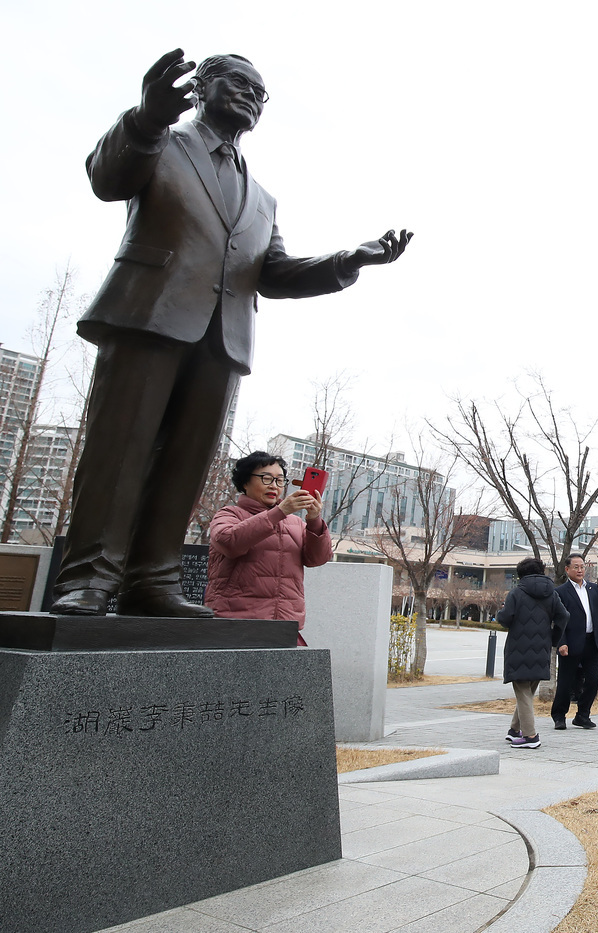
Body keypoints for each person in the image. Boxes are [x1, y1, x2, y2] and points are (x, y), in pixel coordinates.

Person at [50, 50, 410, 617]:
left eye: (260, 95)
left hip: (222, 340)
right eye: (239, 84)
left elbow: (274, 274)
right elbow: (106, 178)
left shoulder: (261, 198)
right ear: (203, 85)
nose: (251, 98)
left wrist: (349, 259)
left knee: (186, 462)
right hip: (149, 316)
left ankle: (153, 580)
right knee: (117, 452)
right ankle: (90, 578)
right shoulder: (160, 141)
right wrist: (146, 117)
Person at [204, 452, 331, 640]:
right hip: (235, 621)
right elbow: (229, 542)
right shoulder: (229, 514)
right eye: (266, 478)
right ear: (245, 482)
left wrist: (314, 521)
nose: (274, 486)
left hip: (285, 623)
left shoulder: (294, 523)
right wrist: (280, 512)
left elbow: (318, 559)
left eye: (280, 480)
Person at [497, 557, 570, 749]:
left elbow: (505, 619)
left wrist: (500, 613)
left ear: (521, 575)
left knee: (523, 692)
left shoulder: (516, 593)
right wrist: (554, 638)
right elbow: (564, 616)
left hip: (518, 648)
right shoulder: (552, 594)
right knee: (527, 692)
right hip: (542, 648)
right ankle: (514, 730)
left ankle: (530, 737)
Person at [551, 554, 598, 730]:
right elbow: (557, 621)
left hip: (592, 642)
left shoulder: (593, 588)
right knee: (566, 681)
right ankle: (559, 716)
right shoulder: (560, 592)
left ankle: (583, 715)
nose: (580, 570)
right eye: (576, 567)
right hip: (570, 643)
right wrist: (561, 642)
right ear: (567, 569)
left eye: (582, 567)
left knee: (592, 681)